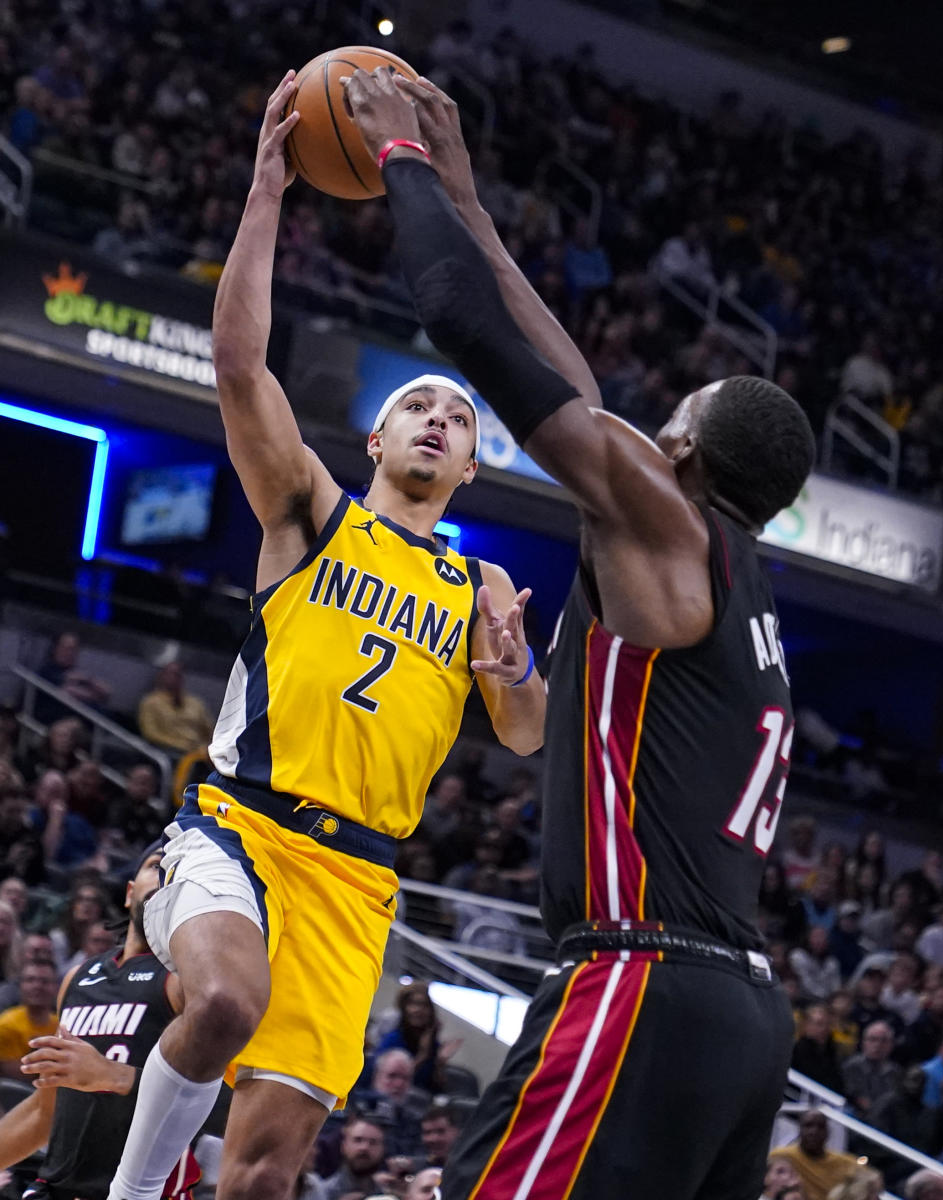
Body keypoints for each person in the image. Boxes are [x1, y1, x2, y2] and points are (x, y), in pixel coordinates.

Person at [345, 69, 814, 1199]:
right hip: (742, 1019)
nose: (649, 425)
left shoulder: (665, 527)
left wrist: (403, 163)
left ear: (688, 456)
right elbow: (581, 392)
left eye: (675, 417)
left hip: (641, 982)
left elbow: (468, 329)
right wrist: (473, 199)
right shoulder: (734, 585)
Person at [107, 73, 544, 1200]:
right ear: (375, 437)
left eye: (458, 417)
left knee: (265, 1174)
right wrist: (265, 192)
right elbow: (240, 368)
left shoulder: (484, 583)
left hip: (358, 882)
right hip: (241, 830)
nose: (440, 421)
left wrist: (518, 669)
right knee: (224, 1002)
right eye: (421, 407)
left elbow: (529, 735)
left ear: (471, 465)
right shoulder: (310, 512)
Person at [0, 844, 200, 1200]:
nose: (168, 874)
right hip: (53, 1187)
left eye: (182, 870)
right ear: (128, 893)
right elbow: (46, 1111)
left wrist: (114, 1076)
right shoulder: (78, 977)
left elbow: (227, 1106)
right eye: (157, 865)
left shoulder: (190, 982)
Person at [770, 1112, 858, 1200]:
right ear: (799, 1129)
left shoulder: (845, 1163)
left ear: (828, 1132)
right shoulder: (780, 1155)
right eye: (808, 1125)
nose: (814, 1131)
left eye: (820, 1127)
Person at [137, 663, 213, 758]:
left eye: (177, 674)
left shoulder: (196, 703)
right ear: (161, 676)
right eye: (169, 673)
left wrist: (207, 747)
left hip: (199, 752)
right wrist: (181, 745)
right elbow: (150, 733)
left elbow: (209, 730)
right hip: (168, 751)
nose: (173, 678)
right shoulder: (150, 702)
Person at [0, 959, 58, 1077]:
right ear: (20, 985)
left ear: (56, 987)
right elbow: (14, 1076)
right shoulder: (5, 1024)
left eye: (44, 981)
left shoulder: (62, 1025)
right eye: (30, 980)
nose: (37, 986)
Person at [314, 1115, 389, 1200]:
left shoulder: (387, 1194)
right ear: (343, 1146)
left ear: (382, 1150)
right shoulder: (322, 1194)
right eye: (358, 1140)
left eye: (373, 1142)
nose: (364, 1147)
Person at [841, 1020, 900, 1123]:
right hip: (856, 1120)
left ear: (891, 1045)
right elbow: (857, 1099)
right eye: (873, 1039)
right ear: (864, 1042)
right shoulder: (851, 1067)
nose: (878, 1045)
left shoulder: (896, 1072)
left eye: (884, 1041)